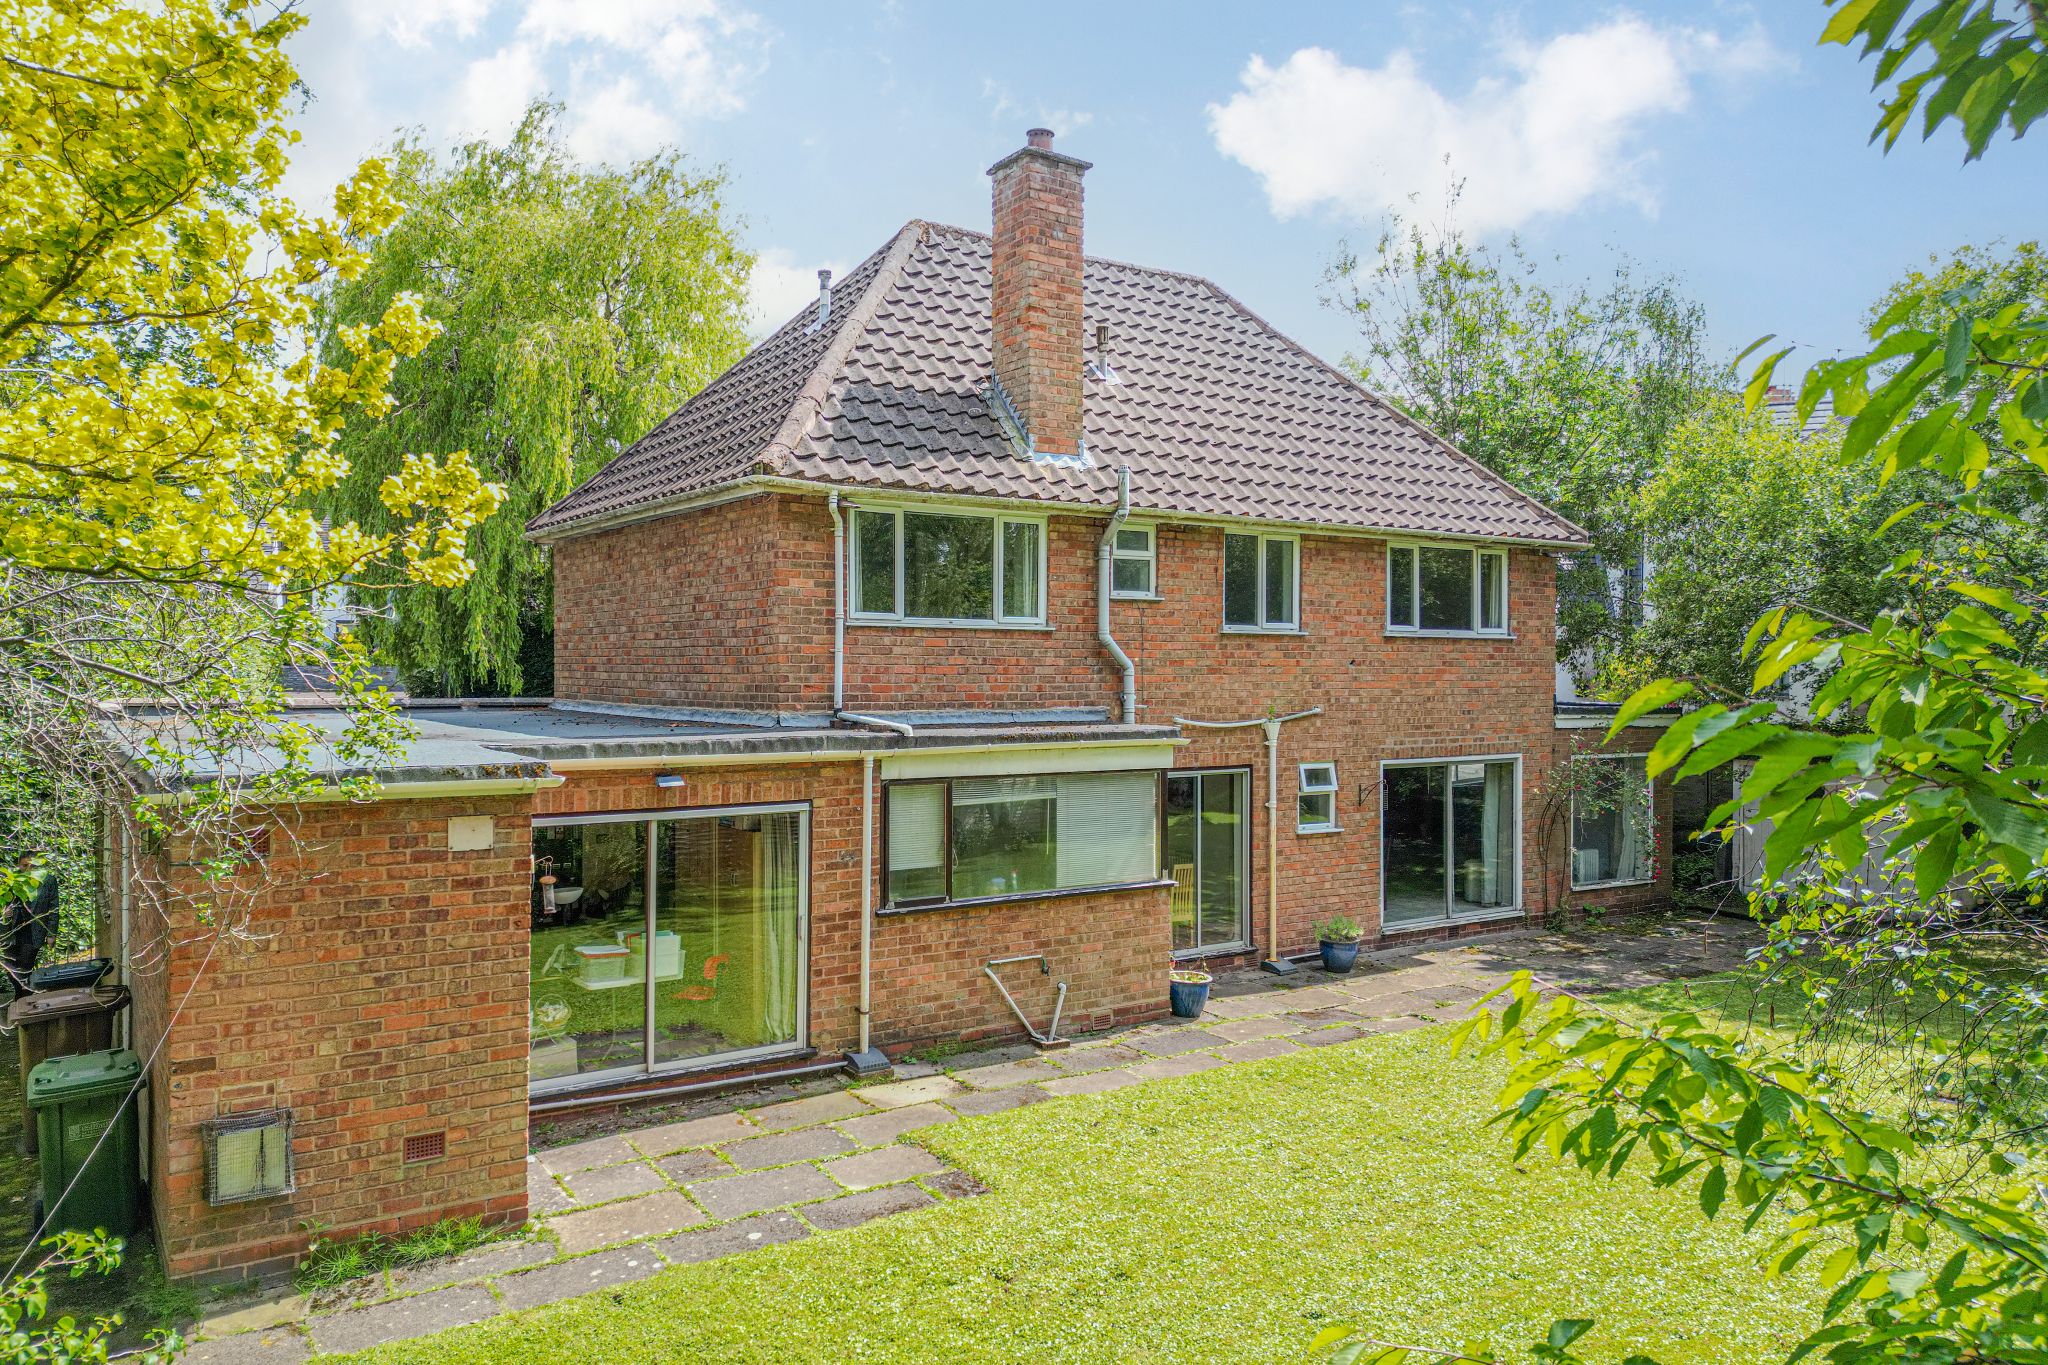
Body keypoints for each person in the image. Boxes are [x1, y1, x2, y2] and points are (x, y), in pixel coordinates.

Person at [3, 849, 58, 998]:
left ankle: (22, 999)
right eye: (23, 865)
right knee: (10, 968)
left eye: (30, 866)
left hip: (34, 930)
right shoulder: (12, 879)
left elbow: (54, 908)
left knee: (25, 967)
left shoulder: (48, 880)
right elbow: (4, 901)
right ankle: (22, 994)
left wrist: (52, 933)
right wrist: (5, 912)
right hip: (13, 930)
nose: (27, 869)